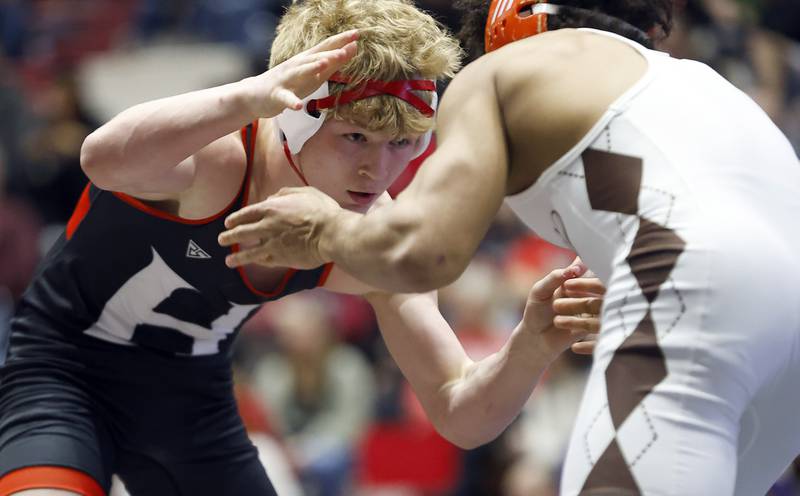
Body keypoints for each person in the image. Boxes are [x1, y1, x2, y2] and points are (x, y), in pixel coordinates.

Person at [0, 1, 605, 495]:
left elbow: (458, 412)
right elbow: (99, 159)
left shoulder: (377, 240)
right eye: (356, 136)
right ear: (292, 115)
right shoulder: (220, 157)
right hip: (63, 370)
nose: (377, 169)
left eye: (402, 143)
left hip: (189, 399)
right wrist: (246, 96)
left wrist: (531, 345)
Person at [222, 0, 800, 494]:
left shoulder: (502, 73)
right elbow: (712, 227)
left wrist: (325, 230)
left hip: (694, 289)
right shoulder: (698, 83)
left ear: (508, 19)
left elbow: (426, 253)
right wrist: (627, 277)